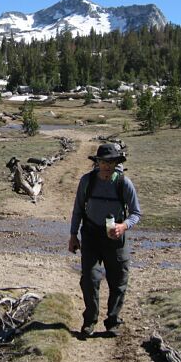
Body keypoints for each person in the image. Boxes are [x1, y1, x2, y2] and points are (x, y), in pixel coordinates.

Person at [68, 142, 141, 338]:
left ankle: (113, 321)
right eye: (103, 161)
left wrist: (123, 226)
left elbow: (135, 213)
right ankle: (90, 321)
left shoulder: (124, 183)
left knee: (119, 280)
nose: (107, 165)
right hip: (91, 235)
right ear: (97, 162)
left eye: (111, 162)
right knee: (90, 279)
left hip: (116, 238)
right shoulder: (87, 181)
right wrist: (73, 235)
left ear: (117, 162)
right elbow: (78, 210)